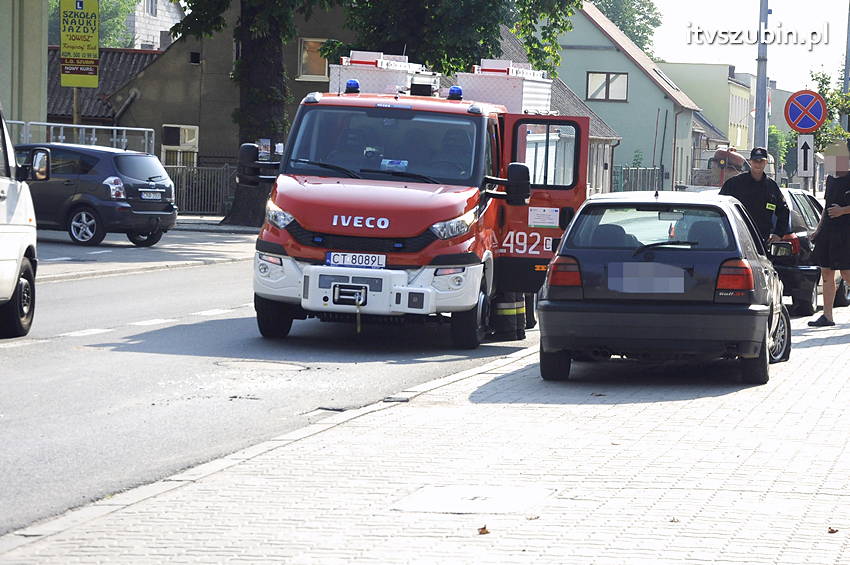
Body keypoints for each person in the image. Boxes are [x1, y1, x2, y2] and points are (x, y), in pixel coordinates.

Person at [719, 147, 791, 244]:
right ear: (750, 162)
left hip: (762, 240)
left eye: (761, 161)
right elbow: (721, 207)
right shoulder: (735, 184)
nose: (758, 164)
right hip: (738, 239)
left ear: (766, 163)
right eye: (755, 161)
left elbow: (784, 211)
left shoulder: (771, 186)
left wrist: (778, 234)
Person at [807, 173, 850, 327]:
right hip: (828, 231)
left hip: (845, 232)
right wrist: (818, 230)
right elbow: (826, 207)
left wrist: (844, 210)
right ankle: (827, 316)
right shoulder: (830, 180)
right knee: (826, 273)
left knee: (846, 273)